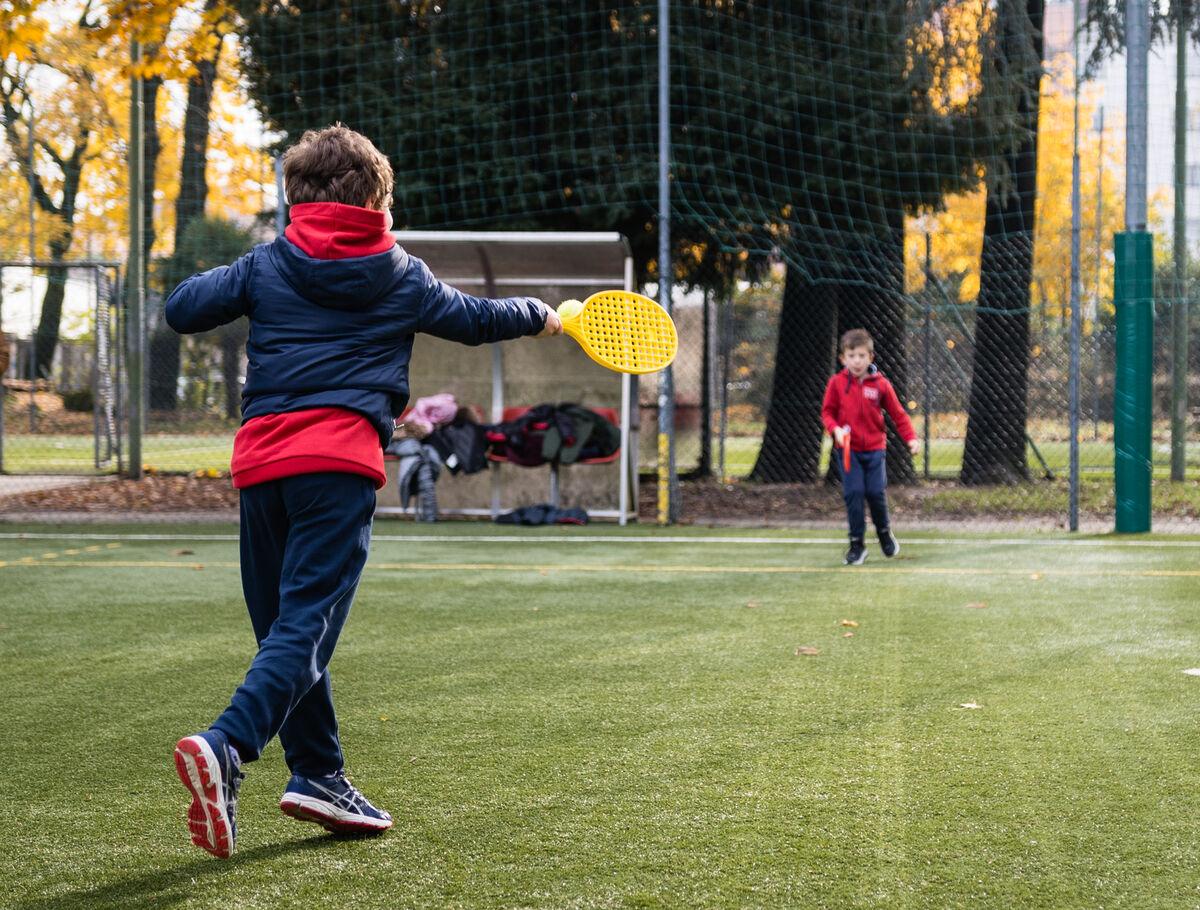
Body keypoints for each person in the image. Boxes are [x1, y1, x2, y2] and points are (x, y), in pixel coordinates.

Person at [165, 124, 562, 858]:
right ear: (377, 195)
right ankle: (227, 746)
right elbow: (476, 320)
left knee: (286, 630)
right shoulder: (400, 272)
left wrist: (253, 271)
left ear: (295, 197)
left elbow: (183, 307)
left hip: (262, 467)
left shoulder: (268, 262)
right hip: (339, 465)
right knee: (302, 628)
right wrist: (544, 315)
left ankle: (319, 775)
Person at [821, 328, 919, 566]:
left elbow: (898, 414)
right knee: (854, 493)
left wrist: (911, 438)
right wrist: (835, 430)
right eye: (852, 356)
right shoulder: (836, 384)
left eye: (862, 356)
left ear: (870, 358)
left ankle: (884, 534)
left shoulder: (881, 385)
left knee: (875, 493)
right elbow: (827, 413)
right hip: (848, 452)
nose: (857, 361)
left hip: (875, 450)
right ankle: (857, 545)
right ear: (843, 359)